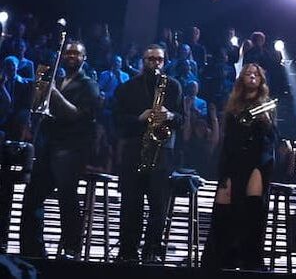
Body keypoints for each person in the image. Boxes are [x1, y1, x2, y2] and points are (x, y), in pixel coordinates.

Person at [19, 41, 101, 259]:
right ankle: (32, 249)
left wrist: (53, 92)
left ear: (85, 58)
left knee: (67, 199)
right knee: (32, 196)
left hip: (71, 148)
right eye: (69, 52)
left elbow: (75, 114)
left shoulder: (88, 85)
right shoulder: (58, 79)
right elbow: (39, 109)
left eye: (77, 53)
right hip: (50, 145)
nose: (72, 56)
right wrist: (40, 90)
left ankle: (71, 249)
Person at [112, 44, 184, 263]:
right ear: (142, 61)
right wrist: (140, 118)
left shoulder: (173, 86)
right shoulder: (126, 88)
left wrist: (169, 115)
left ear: (165, 62)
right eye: (150, 59)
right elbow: (117, 122)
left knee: (158, 206)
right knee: (131, 204)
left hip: (162, 152)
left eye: (159, 59)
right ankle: (127, 251)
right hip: (134, 150)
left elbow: (182, 120)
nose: (154, 63)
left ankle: (152, 250)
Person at [203, 63, 277, 270]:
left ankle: (249, 258)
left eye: (256, 74)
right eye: (248, 74)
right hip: (234, 160)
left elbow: (270, 138)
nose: (252, 77)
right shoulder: (233, 106)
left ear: (261, 80)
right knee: (224, 207)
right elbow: (228, 139)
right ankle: (221, 257)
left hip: (257, 160)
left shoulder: (268, 106)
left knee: (252, 208)